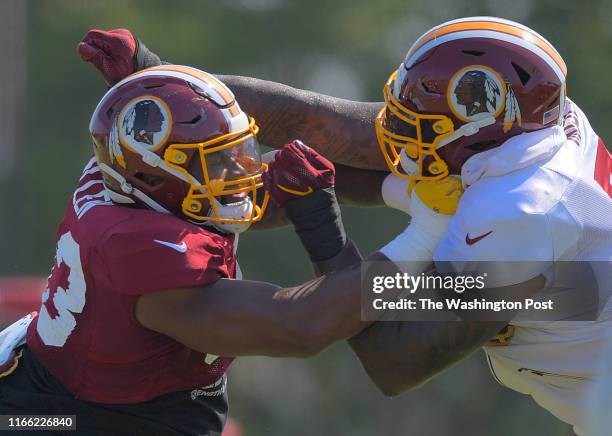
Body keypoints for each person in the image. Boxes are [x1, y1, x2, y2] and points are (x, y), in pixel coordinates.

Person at [79, 17, 612, 435]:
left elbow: (393, 359)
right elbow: (323, 126)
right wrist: (165, 88)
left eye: (416, 117)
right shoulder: (536, 126)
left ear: (482, 114)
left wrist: (321, 225)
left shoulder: (518, 216)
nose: (396, 126)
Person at [0, 61, 460, 435]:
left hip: (74, 382)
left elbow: (247, 189)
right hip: (73, 419)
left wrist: (403, 193)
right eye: (219, 162)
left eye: (238, 151)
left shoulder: (125, 177)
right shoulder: (145, 253)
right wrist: (424, 236)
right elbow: (300, 323)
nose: (242, 171)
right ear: (152, 175)